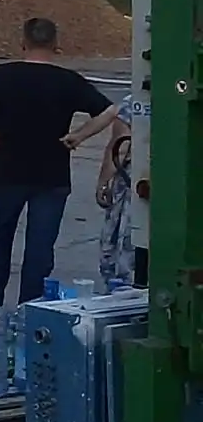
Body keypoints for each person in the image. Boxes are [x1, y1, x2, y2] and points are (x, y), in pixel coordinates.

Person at [0, 17, 120, 305]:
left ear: (24, 42)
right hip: (52, 174)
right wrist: (78, 136)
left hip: (8, 170)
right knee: (40, 246)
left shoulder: (1, 75)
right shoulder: (68, 81)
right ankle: (30, 309)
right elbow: (109, 111)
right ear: (55, 45)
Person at [96, 98, 136, 287]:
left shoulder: (135, 103)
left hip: (134, 182)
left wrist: (103, 183)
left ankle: (121, 287)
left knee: (122, 242)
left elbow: (119, 148)